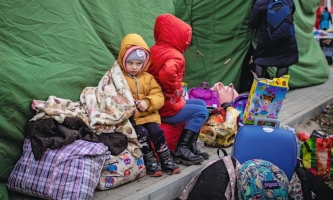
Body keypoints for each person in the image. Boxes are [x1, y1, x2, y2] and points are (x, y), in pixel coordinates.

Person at [147, 14, 209, 166]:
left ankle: (191, 146)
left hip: (157, 102)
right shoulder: (176, 55)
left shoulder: (154, 49)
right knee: (202, 112)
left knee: (201, 104)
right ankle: (181, 149)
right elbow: (167, 73)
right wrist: (172, 90)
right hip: (164, 107)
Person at [117, 33, 180, 176]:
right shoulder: (118, 78)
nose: (134, 67)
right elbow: (114, 96)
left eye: (138, 63)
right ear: (123, 60)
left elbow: (158, 95)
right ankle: (150, 160)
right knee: (142, 134)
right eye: (130, 63)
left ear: (144, 63)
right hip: (133, 119)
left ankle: (166, 158)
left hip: (149, 115)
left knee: (156, 131)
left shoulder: (148, 78)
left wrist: (148, 102)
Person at [250, 0, 299, 78]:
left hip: (267, 39)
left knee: (261, 60)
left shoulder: (260, 2)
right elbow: (292, 11)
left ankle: (260, 87)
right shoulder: (288, 0)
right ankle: (279, 87)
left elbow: (254, 22)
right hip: (286, 37)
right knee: (284, 62)